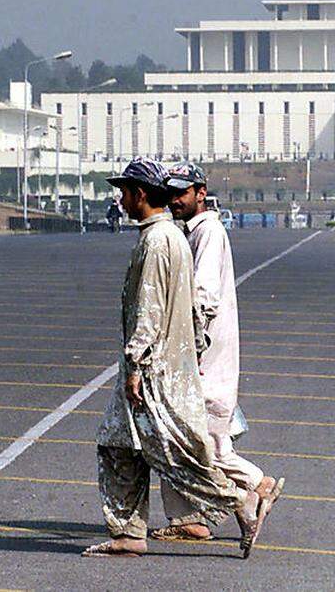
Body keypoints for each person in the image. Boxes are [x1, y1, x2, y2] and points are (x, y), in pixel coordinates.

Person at [82, 158, 267, 559]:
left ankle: (240, 498)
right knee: (123, 446)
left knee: (169, 451)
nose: (121, 199)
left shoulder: (157, 241)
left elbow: (150, 310)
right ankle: (129, 533)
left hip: (153, 368)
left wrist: (136, 364)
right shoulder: (171, 236)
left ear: (141, 195)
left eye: (125, 192)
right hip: (164, 365)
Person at [150, 161, 284, 541]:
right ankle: (191, 517)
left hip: (204, 359)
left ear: (200, 193)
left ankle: (257, 487)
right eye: (170, 193)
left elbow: (203, 298)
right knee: (184, 441)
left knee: (198, 445)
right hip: (201, 357)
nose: (174, 200)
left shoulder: (208, 232)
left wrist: (186, 350)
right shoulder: (191, 232)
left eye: (182, 193)